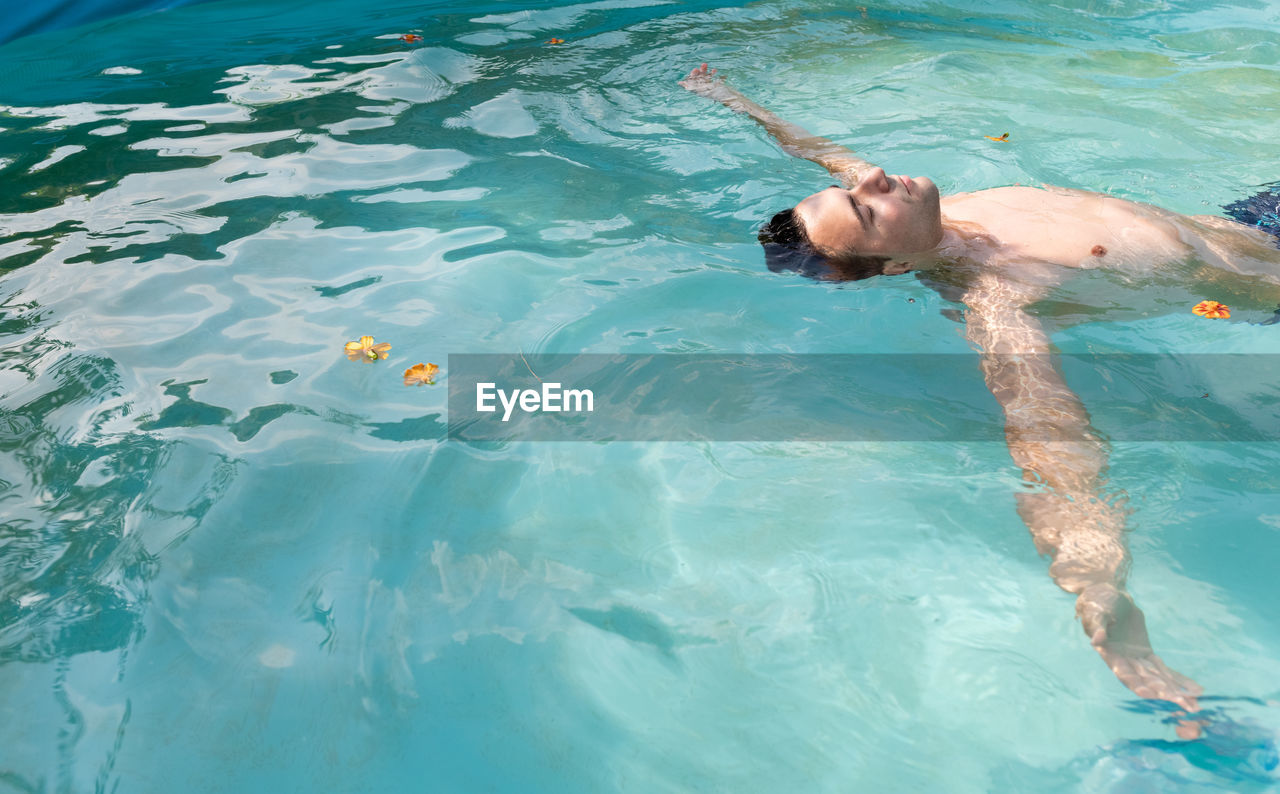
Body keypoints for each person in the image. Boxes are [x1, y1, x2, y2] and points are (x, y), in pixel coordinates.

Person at [679, 62, 1280, 737]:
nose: (872, 176)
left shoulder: (932, 211)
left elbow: (823, 152)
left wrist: (730, 98)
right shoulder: (999, 300)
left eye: (850, 187)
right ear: (898, 265)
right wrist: (1096, 582)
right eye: (865, 206)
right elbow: (1047, 432)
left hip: (1255, 219)